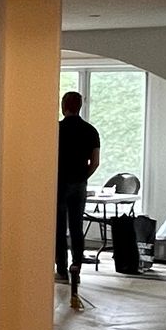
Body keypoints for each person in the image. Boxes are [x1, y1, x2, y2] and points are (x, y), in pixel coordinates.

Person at [56, 89, 100, 309]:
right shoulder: (90, 131)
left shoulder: (56, 129)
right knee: (76, 227)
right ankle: (77, 268)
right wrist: (83, 178)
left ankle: (62, 271)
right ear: (80, 106)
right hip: (79, 184)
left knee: (58, 228)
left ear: (64, 106)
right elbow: (95, 162)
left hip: (59, 184)